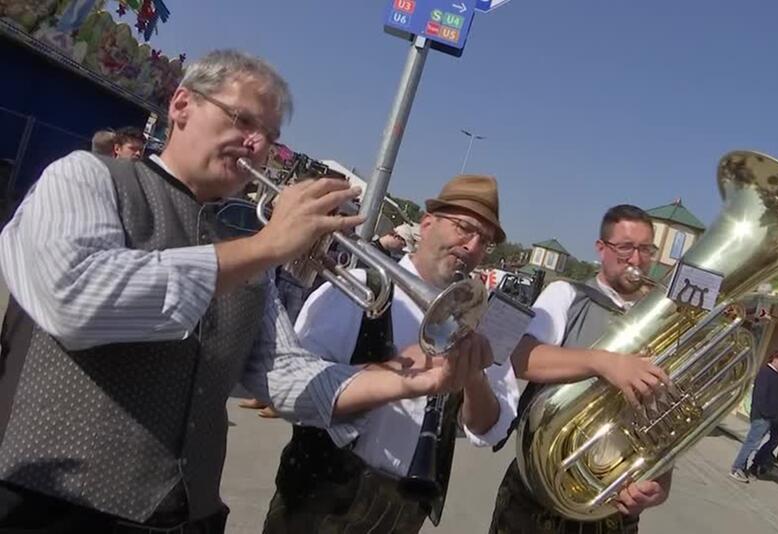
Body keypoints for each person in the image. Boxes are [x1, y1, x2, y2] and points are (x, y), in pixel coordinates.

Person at [0, 49, 483, 533]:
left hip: (189, 517)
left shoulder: (242, 249)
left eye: (269, 136)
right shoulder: (85, 177)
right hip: (48, 507)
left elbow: (288, 377)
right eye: (242, 120)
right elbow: (75, 299)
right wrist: (268, 246)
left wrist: (411, 380)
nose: (256, 144)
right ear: (183, 105)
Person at [263, 175, 517, 533]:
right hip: (322, 499)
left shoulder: (478, 319)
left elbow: (488, 427)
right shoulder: (358, 287)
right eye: (464, 228)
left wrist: (472, 375)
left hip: (405, 509)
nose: (471, 246)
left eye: (484, 241)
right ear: (427, 224)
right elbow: (297, 387)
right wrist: (400, 370)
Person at [489, 204, 672, 534]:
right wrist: (603, 362)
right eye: (626, 247)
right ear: (601, 249)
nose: (637, 259)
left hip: (613, 508)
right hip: (539, 495)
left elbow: (666, 417)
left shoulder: (665, 324)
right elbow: (523, 358)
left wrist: (659, 485)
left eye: (646, 249)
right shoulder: (568, 294)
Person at [729, 350, 778, 482]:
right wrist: (766, 414)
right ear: (775, 359)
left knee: (754, 443)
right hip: (762, 417)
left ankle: (743, 468)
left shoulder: (777, 376)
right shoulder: (765, 373)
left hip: (768, 418)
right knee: (751, 443)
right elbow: (760, 396)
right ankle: (736, 468)